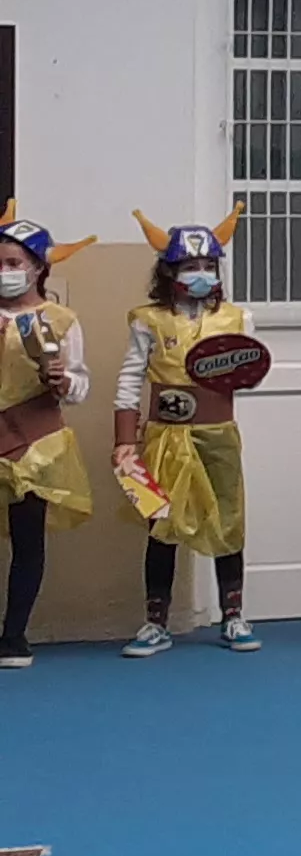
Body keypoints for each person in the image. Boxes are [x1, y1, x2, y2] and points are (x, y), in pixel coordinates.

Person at [113, 212, 256, 657]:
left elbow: (252, 371)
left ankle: (233, 615)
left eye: (209, 266)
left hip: (217, 433)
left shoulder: (237, 317)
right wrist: (124, 440)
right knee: (161, 524)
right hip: (164, 435)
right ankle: (155, 622)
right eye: (190, 267)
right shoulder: (148, 319)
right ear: (169, 271)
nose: (201, 275)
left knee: (228, 519)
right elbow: (130, 378)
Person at [1, 210, 96, 669]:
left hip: (35, 443)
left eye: (14, 262)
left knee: (27, 538)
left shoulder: (60, 320)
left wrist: (62, 381)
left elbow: (80, 386)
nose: (6, 272)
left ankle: (14, 635)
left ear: (39, 267)